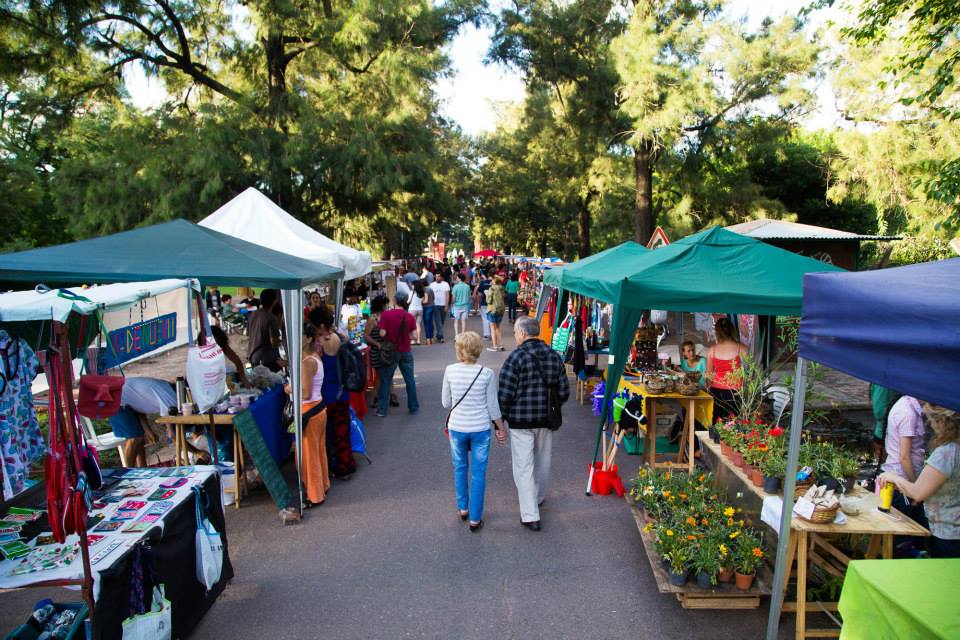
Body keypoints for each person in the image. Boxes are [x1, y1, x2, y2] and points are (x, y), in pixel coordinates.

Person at [498, 316, 569, 531]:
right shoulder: (554, 356)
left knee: (523, 465)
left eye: (515, 333)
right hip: (546, 419)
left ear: (521, 333)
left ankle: (530, 514)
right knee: (543, 461)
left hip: (520, 420)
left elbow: (505, 393)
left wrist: (501, 419)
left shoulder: (515, 357)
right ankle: (537, 497)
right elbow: (564, 391)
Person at [442, 332, 506, 532]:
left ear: (459, 350)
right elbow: (493, 406)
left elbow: (446, 403)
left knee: (459, 467)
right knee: (479, 473)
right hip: (480, 428)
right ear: (478, 349)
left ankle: (462, 508)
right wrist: (501, 429)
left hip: (457, 427)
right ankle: (475, 519)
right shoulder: (486, 373)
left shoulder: (450, 371)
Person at [880, 405, 960, 558]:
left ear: (943, 421)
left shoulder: (946, 453)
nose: (930, 424)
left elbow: (918, 493)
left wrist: (894, 477)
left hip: (947, 532)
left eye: (931, 420)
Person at [309, 308, 357, 480]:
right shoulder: (338, 336)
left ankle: (330, 468)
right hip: (341, 391)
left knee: (327, 434)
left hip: (327, 393)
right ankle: (345, 466)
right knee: (342, 431)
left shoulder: (320, 342)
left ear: (320, 325)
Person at [287, 322, 330, 507]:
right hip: (317, 409)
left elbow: (304, 393)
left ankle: (315, 494)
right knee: (318, 452)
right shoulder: (314, 357)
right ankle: (322, 486)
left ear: (308, 338)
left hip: (308, 411)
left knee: (308, 456)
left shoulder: (306, 362)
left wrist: (288, 388)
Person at [882, 395, 928, 537]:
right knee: (907, 536)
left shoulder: (907, 406)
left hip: (901, 480)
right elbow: (904, 457)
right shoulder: (907, 413)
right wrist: (915, 488)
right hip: (902, 484)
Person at [108, 377, 178, 467]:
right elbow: (172, 435)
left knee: (140, 438)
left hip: (122, 396)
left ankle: (143, 469)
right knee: (135, 438)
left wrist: (147, 430)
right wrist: (197, 452)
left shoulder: (165, 388)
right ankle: (128, 472)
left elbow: (139, 405)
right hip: (115, 399)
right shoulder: (170, 398)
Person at [375, 293, 419, 417]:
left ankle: (382, 410)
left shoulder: (386, 315)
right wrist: (406, 336)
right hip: (406, 351)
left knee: (386, 380)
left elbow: (382, 334)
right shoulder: (409, 316)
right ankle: (413, 406)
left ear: (394, 301)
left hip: (391, 352)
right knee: (410, 380)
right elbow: (415, 336)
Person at [705, 317, 742, 423]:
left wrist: (708, 390)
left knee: (717, 423)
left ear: (717, 332)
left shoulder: (712, 350)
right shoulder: (742, 349)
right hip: (736, 393)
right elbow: (750, 374)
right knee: (735, 425)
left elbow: (708, 377)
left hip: (717, 392)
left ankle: (715, 439)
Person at [247, 288, 284, 372]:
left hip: (251, 356)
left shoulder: (252, 314)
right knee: (272, 382)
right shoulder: (271, 318)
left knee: (256, 382)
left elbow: (248, 334)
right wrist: (282, 342)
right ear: (275, 301)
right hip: (266, 360)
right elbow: (274, 341)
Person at [485, 276, 506, 352]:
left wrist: (487, 293)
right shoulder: (502, 288)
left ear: (494, 282)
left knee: (492, 328)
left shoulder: (492, 288)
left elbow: (488, 301)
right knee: (498, 328)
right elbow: (504, 296)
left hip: (492, 309)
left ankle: (494, 346)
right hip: (500, 309)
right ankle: (501, 345)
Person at [428, 274, 451, 343]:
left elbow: (447, 295)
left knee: (442, 321)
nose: (437, 278)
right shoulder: (431, 285)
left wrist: (446, 305)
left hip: (443, 305)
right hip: (435, 305)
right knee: (438, 321)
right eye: (436, 276)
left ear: (442, 277)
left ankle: (438, 334)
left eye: (439, 276)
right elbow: (429, 295)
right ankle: (441, 336)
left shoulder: (445, 284)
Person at [451, 273, 472, 338]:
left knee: (456, 321)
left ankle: (456, 335)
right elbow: (469, 296)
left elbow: (453, 298)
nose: (456, 279)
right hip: (465, 306)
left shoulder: (455, 286)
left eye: (457, 278)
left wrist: (452, 303)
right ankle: (463, 335)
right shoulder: (467, 286)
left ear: (459, 278)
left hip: (457, 306)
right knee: (463, 321)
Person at [475, 270, 492, 340]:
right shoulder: (495, 282)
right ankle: (493, 333)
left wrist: (478, 304)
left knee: (485, 319)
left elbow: (479, 295)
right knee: (492, 319)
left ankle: (487, 335)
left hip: (484, 304)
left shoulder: (482, 283)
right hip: (493, 304)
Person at [409, 281, 425, 346]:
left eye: (412, 285)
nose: (411, 286)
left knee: (412, 325)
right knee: (418, 325)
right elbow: (422, 301)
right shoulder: (422, 293)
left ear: (415, 286)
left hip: (412, 310)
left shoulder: (411, 292)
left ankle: (413, 340)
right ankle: (418, 340)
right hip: (420, 309)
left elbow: (408, 301)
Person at [422, 279, 436, 345]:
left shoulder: (425, 290)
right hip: (432, 306)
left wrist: (420, 302)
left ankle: (428, 339)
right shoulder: (430, 289)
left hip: (426, 307)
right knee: (431, 323)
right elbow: (433, 298)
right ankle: (432, 338)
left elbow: (426, 300)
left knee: (426, 324)